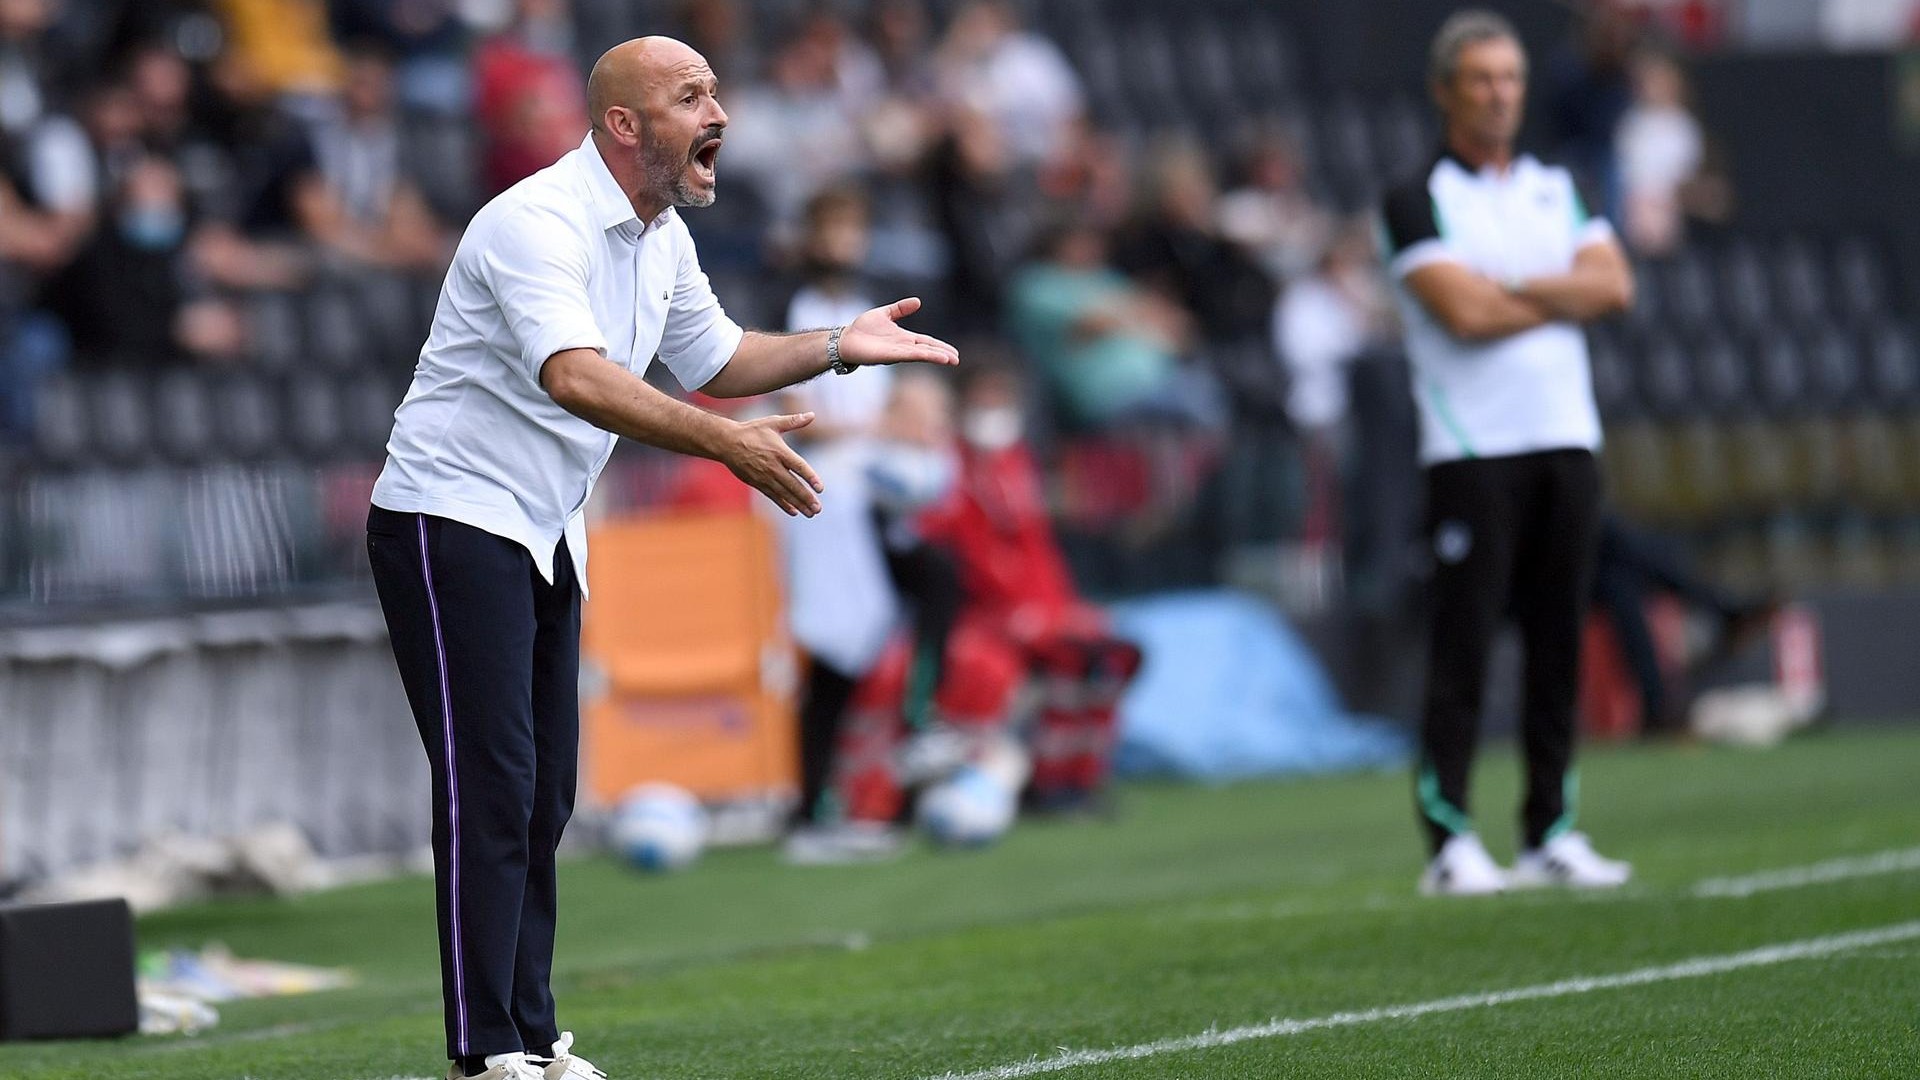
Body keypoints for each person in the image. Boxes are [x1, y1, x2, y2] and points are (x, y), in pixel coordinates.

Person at [365, 36, 957, 1080]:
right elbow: (577, 377)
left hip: (544, 527)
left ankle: (533, 1036)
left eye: (715, 93)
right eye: (691, 96)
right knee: (492, 786)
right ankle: (484, 1052)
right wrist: (727, 443)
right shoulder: (533, 221)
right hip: (447, 518)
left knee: (543, 794)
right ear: (624, 125)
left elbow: (718, 359)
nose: (718, 113)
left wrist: (836, 345)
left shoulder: (661, 235)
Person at [1379, 12, 1635, 896]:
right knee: (1465, 648)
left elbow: (1616, 285)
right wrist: (1559, 293)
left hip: (1566, 438)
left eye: (1511, 78)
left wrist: (1512, 287)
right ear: (1444, 91)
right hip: (1472, 450)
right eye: (1481, 79)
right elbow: (1465, 313)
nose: (1499, 95)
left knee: (1560, 642)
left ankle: (1549, 828)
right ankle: (1450, 838)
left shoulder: (1557, 187)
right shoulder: (1415, 197)